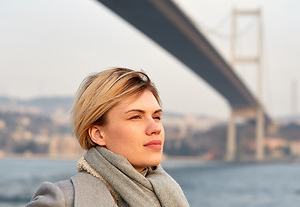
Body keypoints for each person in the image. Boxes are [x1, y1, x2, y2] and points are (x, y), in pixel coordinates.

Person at [26, 67, 189, 207]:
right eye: (135, 117)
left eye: (156, 117)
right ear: (98, 134)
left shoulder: (168, 194)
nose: (155, 128)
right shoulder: (62, 200)